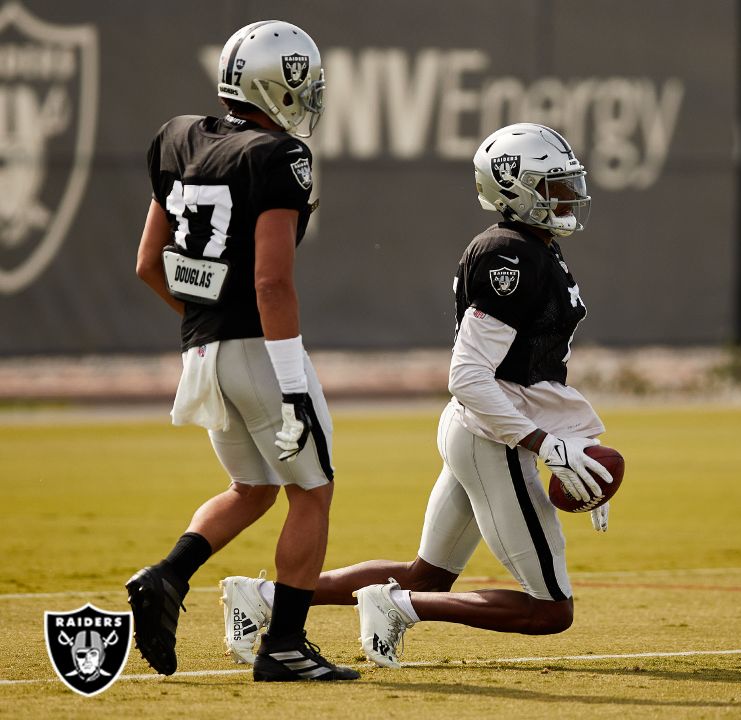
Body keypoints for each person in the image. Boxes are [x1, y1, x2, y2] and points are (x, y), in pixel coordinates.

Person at [219, 123, 613, 669]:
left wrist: (572, 442)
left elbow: (529, 371)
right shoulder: (511, 256)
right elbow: (470, 376)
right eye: (553, 185)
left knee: (427, 576)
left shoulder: (533, 248)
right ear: (513, 187)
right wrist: (547, 443)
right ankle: (398, 608)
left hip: (483, 430)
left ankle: (259, 599)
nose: (567, 197)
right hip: (490, 435)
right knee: (550, 610)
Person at [127, 20, 358, 682]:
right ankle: (284, 645)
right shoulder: (280, 156)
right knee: (312, 491)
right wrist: (290, 385)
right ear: (274, 84)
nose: (310, 95)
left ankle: (167, 575)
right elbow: (271, 280)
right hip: (260, 349)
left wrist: (209, 318)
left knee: (252, 488)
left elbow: (149, 262)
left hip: (203, 352)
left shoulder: (177, 137)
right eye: (302, 82)